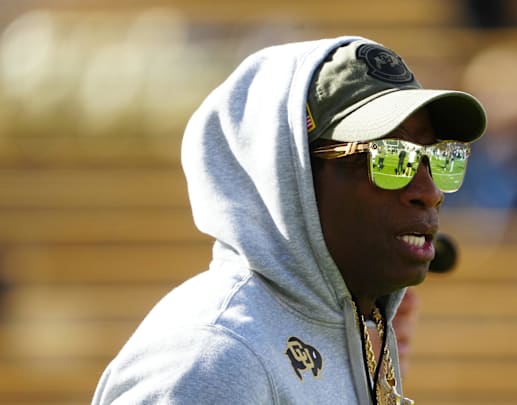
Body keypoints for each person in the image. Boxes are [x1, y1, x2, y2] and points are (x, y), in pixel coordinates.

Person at [92, 36, 486, 405]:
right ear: (287, 173)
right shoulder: (216, 355)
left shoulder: (350, 342)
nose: (430, 191)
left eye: (438, 157)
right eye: (388, 157)